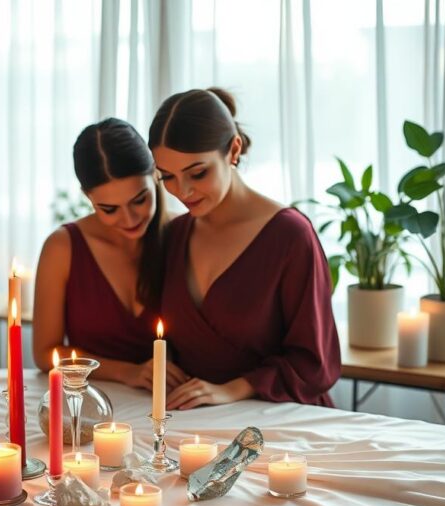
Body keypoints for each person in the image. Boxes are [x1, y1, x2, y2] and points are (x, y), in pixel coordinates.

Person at [149, 88, 340, 409]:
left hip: (282, 419)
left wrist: (235, 389)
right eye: (167, 176)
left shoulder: (290, 235)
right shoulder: (174, 235)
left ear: (233, 149)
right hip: (196, 421)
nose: (181, 191)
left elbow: (314, 362)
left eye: (198, 173)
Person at [33, 118, 188, 391]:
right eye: (109, 209)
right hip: (90, 398)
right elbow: (45, 353)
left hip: (174, 402)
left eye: (139, 200)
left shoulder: (184, 234)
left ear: (155, 173)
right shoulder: (62, 247)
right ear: (87, 197)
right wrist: (125, 372)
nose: (129, 219)